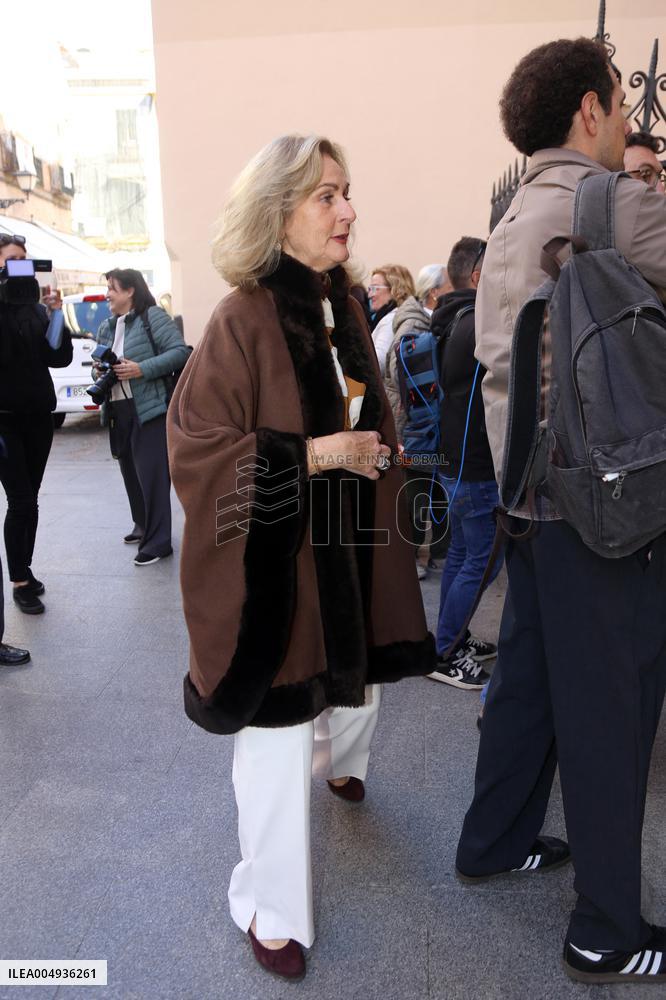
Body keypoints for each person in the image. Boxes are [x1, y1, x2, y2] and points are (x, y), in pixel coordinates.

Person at [167, 134, 434, 982]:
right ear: (276, 213)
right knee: (278, 736)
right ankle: (268, 906)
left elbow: (369, 413)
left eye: (347, 191)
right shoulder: (239, 317)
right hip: (278, 571)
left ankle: (345, 765)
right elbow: (198, 451)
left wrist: (376, 456)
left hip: (352, 545)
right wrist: (316, 456)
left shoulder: (344, 303)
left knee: (359, 685)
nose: (348, 209)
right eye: (326, 196)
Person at [455, 38, 666, 986]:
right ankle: (605, 931)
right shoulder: (612, 203)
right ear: (589, 109)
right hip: (601, 508)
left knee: (529, 685)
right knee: (609, 710)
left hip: (526, 503)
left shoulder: (509, 214)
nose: (629, 122)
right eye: (622, 103)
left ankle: (492, 839)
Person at [427, 238, 503, 690]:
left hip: (453, 459)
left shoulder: (449, 317)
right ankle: (445, 652)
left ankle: (449, 639)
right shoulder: (479, 323)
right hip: (474, 466)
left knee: (461, 553)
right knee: (481, 561)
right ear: (477, 276)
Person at [96, 269, 189, 566]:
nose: (108, 294)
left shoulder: (154, 317)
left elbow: (180, 353)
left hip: (149, 409)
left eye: (112, 288)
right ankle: (142, 525)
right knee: (131, 474)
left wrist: (141, 369)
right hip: (118, 410)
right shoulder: (107, 327)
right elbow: (98, 365)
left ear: (130, 291)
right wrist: (98, 372)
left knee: (152, 477)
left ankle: (159, 543)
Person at [0, 234, 72, 615]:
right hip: (4, 422)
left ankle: (24, 568)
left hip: (38, 418)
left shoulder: (35, 309)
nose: (20, 267)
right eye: (12, 260)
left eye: (24, 260)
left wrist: (56, 312)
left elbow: (56, 357)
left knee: (32, 499)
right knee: (21, 500)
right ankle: (20, 582)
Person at [385, 264, 451, 578]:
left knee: (430, 487)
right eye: (450, 284)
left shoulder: (424, 321)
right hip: (416, 422)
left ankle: (439, 552)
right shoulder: (414, 326)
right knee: (416, 491)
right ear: (435, 291)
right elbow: (403, 378)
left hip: (422, 421)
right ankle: (409, 559)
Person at [367, 264, 414, 373]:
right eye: (370, 289)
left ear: (395, 289)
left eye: (375, 288)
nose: (370, 295)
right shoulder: (403, 315)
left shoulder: (390, 321)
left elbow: (378, 362)